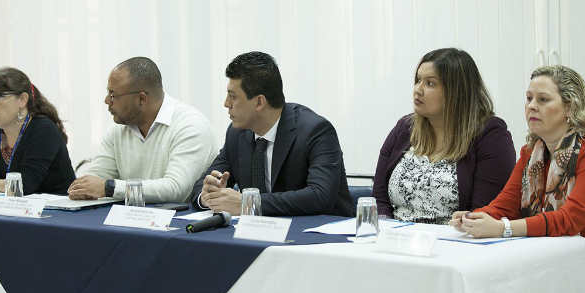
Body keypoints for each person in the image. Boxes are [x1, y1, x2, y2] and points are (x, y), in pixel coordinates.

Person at [449, 65, 585, 293]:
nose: (531, 106)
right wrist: (473, 217)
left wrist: (503, 229)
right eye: (529, 98)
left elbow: (569, 220)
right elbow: (501, 207)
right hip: (543, 271)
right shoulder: (531, 152)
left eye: (543, 100)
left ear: (569, 108)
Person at [190, 51, 353, 216]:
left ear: (259, 102)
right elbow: (200, 187)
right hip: (257, 235)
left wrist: (249, 203)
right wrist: (209, 195)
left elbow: (320, 196)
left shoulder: (315, 131)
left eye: (233, 97)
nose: (226, 104)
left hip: (321, 235)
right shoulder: (236, 134)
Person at [373, 48, 516, 224]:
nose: (418, 90)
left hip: (456, 241)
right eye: (418, 81)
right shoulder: (405, 128)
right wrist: (386, 229)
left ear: (456, 91)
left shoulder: (490, 135)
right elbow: (379, 197)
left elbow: (485, 212)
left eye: (430, 84)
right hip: (396, 238)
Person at [68, 57, 216, 203]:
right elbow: (97, 178)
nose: (107, 101)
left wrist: (110, 188)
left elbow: (176, 189)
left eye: (113, 95)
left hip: (181, 224)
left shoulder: (190, 126)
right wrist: (84, 189)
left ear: (142, 99)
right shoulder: (118, 130)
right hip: (131, 220)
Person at [0, 67, 75, 194]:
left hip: (57, 209)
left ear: (22, 100)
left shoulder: (43, 129)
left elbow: (25, 186)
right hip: (15, 209)